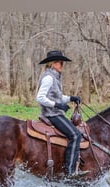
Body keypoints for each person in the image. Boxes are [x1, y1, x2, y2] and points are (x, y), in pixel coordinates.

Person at [36, 50, 83, 178]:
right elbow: (40, 98)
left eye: (62, 62)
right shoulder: (49, 78)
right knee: (75, 135)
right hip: (53, 114)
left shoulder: (54, 77)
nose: (62, 65)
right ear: (53, 64)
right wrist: (56, 105)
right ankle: (70, 171)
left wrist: (70, 98)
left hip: (56, 112)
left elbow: (57, 96)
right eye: (60, 62)